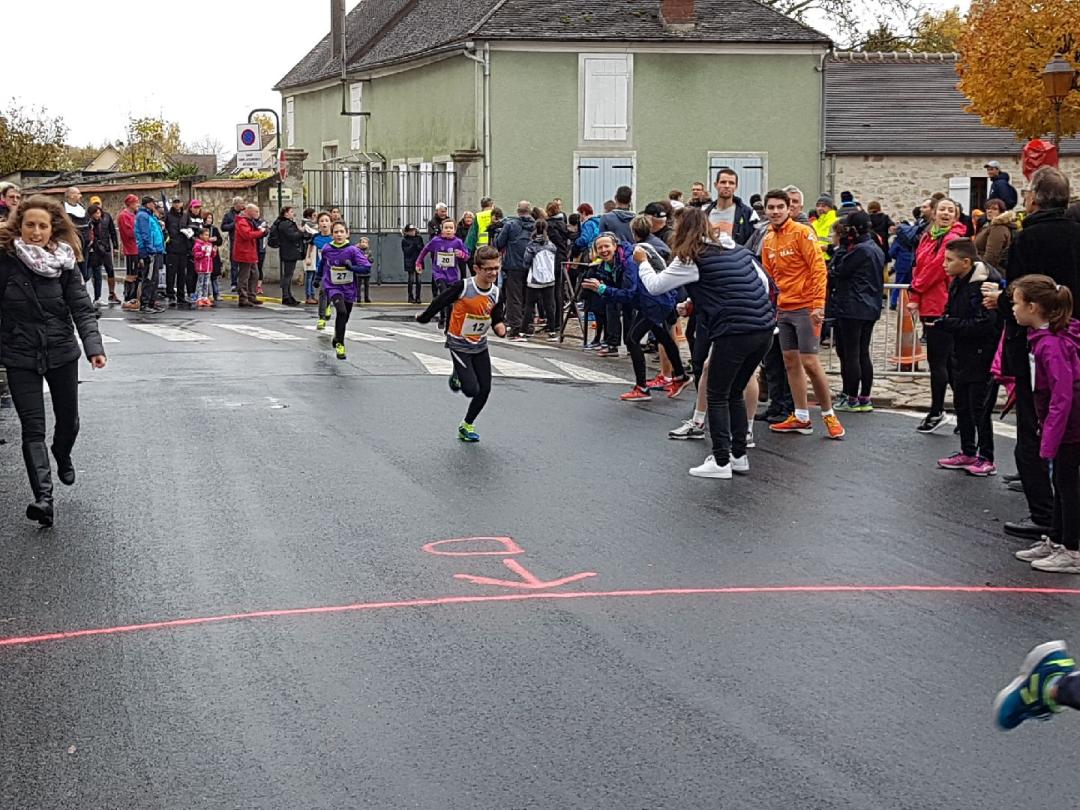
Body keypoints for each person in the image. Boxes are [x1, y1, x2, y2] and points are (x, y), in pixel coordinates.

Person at [636, 206, 776, 478]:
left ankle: (720, 460)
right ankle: (738, 456)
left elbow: (655, 285)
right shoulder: (736, 250)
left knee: (717, 394)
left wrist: (642, 261)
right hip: (764, 328)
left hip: (733, 330)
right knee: (734, 391)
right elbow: (763, 283)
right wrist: (695, 302)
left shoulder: (691, 257)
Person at [0, 195, 107, 527]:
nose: (35, 232)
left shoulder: (65, 263)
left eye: (42, 226)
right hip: (20, 353)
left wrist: (93, 346)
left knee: (69, 422)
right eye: (29, 225)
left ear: (53, 229)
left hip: (61, 351)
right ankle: (43, 499)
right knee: (33, 430)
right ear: (19, 226)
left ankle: (62, 453)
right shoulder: (5, 262)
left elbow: (81, 309)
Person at [1006, 275, 1080, 571]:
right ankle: (1057, 538)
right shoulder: (1043, 339)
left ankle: (1072, 549)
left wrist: (1049, 436)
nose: (1012, 309)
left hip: (1070, 423)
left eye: (1016, 303)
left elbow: (1062, 394)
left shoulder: (1050, 345)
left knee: (1066, 483)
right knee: (1060, 481)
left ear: (1033, 307)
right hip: (1060, 420)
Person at [761, 189, 846, 439]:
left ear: (789, 209)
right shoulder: (767, 239)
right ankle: (800, 416)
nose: (775, 212)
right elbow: (768, 277)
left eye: (780, 207)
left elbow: (819, 269)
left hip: (805, 307)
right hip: (782, 308)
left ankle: (829, 415)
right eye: (771, 207)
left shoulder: (802, 233)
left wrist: (819, 304)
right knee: (790, 361)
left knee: (810, 361)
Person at [582, 229, 690, 402]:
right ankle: (680, 376)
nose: (603, 250)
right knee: (663, 337)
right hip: (648, 302)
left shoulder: (630, 259)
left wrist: (602, 289)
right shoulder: (607, 265)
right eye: (600, 248)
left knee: (632, 339)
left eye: (606, 246)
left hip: (654, 302)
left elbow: (628, 293)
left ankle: (642, 388)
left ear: (615, 246)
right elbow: (613, 289)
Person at [416, 245, 506, 442]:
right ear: (477, 268)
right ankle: (457, 373)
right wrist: (425, 317)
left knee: (485, 389)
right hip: (458, 342)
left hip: (480, 344)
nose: (493, 272)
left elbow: (496, 315)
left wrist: (500, 327)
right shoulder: (464, 287)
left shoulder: (496, 292)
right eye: (488, 269)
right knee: (470, 390)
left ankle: (467, 425)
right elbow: (440, 301)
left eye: (496, 268)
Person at [931, 238, 1003, 477]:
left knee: (980, 407)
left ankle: (986, 456)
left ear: (965, 262)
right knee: (962, 403)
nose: (944, 264)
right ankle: (967, 450)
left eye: (949, 260)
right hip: (960, 351)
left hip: (981, 353)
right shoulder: (957, 282)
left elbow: (986, 324)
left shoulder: (984, 284)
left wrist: (950, 324)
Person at [909, 198, 967, 433]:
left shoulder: (952, 239)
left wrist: (915, 289)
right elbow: (919, 264)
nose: (945, 213)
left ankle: (938, 411)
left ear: (956, 215)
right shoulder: (928, 235)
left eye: (950, 210)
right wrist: (916, 297)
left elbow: (935, 268)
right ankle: (965, 413)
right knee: (947, 363)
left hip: (941, 304)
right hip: (929, 303)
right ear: (934, 212)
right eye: (942, 209)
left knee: (940, 362)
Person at [828, 211, 884, 413]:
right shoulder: (874, 247)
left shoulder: (859, 250)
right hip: (869, 306)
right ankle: (864, 396)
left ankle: (851, 397)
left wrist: (841, 248)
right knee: (861, 352)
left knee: (850, 353)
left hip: (853, 306)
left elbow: (837, 271)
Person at [320, 221, 372, 360]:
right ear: (332, 234)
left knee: (345, 316)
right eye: (336, 232)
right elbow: (322, 264)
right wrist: (318, 278)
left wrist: (352, 268)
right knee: (341, 311)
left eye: (341, 231)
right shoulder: (327, 249)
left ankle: (337, 335)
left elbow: (366, 267)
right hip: (333, 286)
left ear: (347, 233)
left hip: (349, 287)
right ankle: (340, 344)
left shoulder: (352, 250)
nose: (339, 234)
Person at [417, 217, 470, 329]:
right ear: (442, 229)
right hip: (439, 273)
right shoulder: (436, 241)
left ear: (455, 230)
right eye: (446, 228)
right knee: (443, 294)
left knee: (450, 301)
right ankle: (442, 318)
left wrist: (461, 254)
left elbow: (466, 257)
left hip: (453, 276)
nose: (448, 230)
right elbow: (424, 250)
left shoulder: (458, 242)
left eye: (451, 228)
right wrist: (419, 263)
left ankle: (447, 324)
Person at [494, 200, 535, 341]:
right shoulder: (537, 226)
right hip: (532, 266)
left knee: (514, 297)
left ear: (518, 211)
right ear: (529, 211)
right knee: (529, 297)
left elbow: (499, 243)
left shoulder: (510, 225)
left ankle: (516, 327)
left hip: (513, 265)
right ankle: (528, 325)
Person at [523, 219, 559, 341]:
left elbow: (526, 262)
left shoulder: (531, 245)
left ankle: (524, 332)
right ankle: (553, 331)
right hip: (549, 278)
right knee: (550, 306)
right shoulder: (551, 246)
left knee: (529, 305)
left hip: (535, 279)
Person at [703, 168, 756, 246]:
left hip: (737, 257)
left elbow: (753, 242)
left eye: (731, 183)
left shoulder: (747, 214)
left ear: (736, 187)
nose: (727, 186)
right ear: (715, 185)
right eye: (723, 182)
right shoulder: (704, 213)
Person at [134, 196, 166, 313]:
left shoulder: (150, 215)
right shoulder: (143, 216)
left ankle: (152, 302)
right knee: (149, 278)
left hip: (156, 249)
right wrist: (150, 249)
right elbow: (145, 234)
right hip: (150, 251)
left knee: (155, 278)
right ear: (147, 204)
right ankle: (145, 303)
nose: (155, 205)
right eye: (153, 203)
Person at [270, 206, 304, 306]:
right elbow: (293, 236)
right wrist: (301, 231)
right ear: (286, 214)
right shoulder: (286, 224)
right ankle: (286, 296)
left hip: (288, 251)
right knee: (288, 275)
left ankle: (288, 295)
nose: (293, 213)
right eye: (291, 212)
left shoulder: (283, 223)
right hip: (289, 252)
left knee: (288, 274)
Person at [233, 204, 267, 307]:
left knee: (255, 274)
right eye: (256, 212)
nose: (258, 214)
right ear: (249, 211)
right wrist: (261, 233)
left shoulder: (250, 221)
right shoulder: (242, 222)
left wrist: (262, 231)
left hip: (251, 252)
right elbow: (247, 235)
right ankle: (243, 298)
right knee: (244, 276)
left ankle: (251, 296)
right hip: (244, 253)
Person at [87, 203, 119, 304]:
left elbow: (112, 231)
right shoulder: (88, 222)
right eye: (96, 213)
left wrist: (115, 245)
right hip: (94, 250)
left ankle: (111, 293)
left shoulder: (106, 217)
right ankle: (96, 297)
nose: (98, 215)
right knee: (95, 273)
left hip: (105, 248)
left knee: (110, 270)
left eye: (99, 212)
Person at [973, 197, 1016, 271]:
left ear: (1001, 212)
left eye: (994, 209)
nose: (989, 211)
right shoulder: (989, 226)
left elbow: (991, 256)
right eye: (988, 208)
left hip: (990, 272)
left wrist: (980, 271)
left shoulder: (998, 228)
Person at [888, 213, 919, 309]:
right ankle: (908, 303)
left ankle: (893, 303)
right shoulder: (913, 239)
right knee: (910, 285)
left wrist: (897, 257)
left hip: (901, 265)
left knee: (898, 284)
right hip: (912, 264)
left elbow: (891, 253)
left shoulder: (898, 241)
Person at [116, 194, 141, 308]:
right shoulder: (124, 215)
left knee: (137, 274)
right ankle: (128, 298)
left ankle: (135, 296)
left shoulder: (135, 214)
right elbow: (128, 233)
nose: (138, 204)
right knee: (131, 275)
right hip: (131, 248)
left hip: (137, 247)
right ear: (130, 203)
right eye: (136, 202)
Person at [164, 198, 189, 307]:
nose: (177, 204)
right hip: (172, 248)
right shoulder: (168, 216)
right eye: (175, 202)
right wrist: (168, 238)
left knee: (182, 274)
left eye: (179, 202)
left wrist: (189, 232)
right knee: (171, 274)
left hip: (183, 248)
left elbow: (190, 226)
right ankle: (170, 296)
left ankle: (181, 296)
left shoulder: (185, 216)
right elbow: (163, 229)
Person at [220, 196, 245, 292]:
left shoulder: (245, 213)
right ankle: (234, 283)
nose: (243, 205)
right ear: (236, 204)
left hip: (244, 241)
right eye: (241, 203)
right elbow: (223, 227)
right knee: (234, 264)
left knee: (244, 265)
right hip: (234, 242)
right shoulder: (229, 215)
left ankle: (242, 283)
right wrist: (234, 224)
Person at [192, 227, 216, 307]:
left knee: (206, 283)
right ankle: (199, 298)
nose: (207, 237)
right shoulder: (198, 245)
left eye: (208, 235)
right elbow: (196, 255)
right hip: (201, 267)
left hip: (208, 267)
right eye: (205, 235)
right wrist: (203, 251)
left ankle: (205, 297)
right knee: (200, 283)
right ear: (201, 235)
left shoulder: (209, 244)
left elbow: (211, 256)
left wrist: (213, 251)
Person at [203, 212, 224, 303]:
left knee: (214, 275)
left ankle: (217, 293)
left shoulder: (214, 229)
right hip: (205, 253)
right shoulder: (202, 229)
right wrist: (208, 239)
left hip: (214, 253)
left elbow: (220, 240)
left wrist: (216, 242)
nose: (209, 220)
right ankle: (208, 294)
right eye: (208, 218)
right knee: (206, 275)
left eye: (211, 218)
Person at [402, 224, 425, 304]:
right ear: (407, 232)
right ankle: (410, 297)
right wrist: (413, 245)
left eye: (413, 230)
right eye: (410, 231)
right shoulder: (405, 240)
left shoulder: (419, 238)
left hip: (418, 261)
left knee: (419, 280)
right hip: (409, 261)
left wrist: (418, 246)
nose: (412, 232)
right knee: (411, 279)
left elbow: (422, 249)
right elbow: (406, 251)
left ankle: (418, 297)